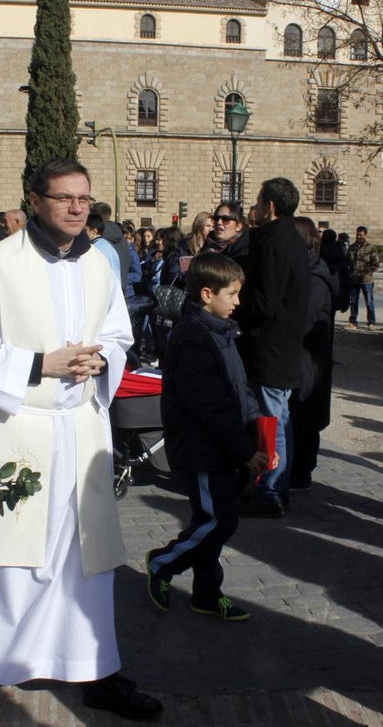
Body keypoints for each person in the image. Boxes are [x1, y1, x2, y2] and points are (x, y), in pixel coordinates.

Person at [0, 159, 160, 720]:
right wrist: (41, 364)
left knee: (84, 559)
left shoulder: (100, 265)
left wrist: (101, 357)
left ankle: (94, 667)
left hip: (79, 428)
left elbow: (118, 334)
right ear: (35, 201)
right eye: (65, 198)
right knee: (2, 556)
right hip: (16, 427)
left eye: (84, 198)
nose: (78, 207)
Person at [146, 252, 268, 621]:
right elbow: (209, 406)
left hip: (221, 446)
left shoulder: (221, 331)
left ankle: (207, 593)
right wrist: (244, 449)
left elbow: (237, 386)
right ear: (206, 294)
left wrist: (256, 422)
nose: (238, 302)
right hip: (202, 447)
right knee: (218, 521)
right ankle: (164, 563)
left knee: (210, 520)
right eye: (231, 294)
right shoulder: (193, 337)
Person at [236, 178, 310, 518]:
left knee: (271, 421)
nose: (255, 206)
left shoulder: (274, 242)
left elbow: (264, 301)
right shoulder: (290, 239)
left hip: (270, 348)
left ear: (270, 206)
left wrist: (238, 306)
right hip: (281, 347)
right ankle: (274, 487)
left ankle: (270, 490)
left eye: (258, 200)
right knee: (279, 418)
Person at [288, 217, 338, 490]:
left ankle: (302, 471)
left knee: (304, 416)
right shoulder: (308, 271)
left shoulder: (315, 278)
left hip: (308, 360)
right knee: (299, 414)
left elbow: (302, 320)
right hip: (303, 358)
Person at [346, 226, 379, 328]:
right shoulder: (352, 248)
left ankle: (371, 322)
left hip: (366, 280)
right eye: (357, 235)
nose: (359, 237)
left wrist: (368, 272)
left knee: (369, 302)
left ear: (365, 235)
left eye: (361, 235)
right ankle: (353, 321)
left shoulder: (370, 248)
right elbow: (347, 261)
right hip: (354, 279)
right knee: (353, 301)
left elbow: (375, 263)